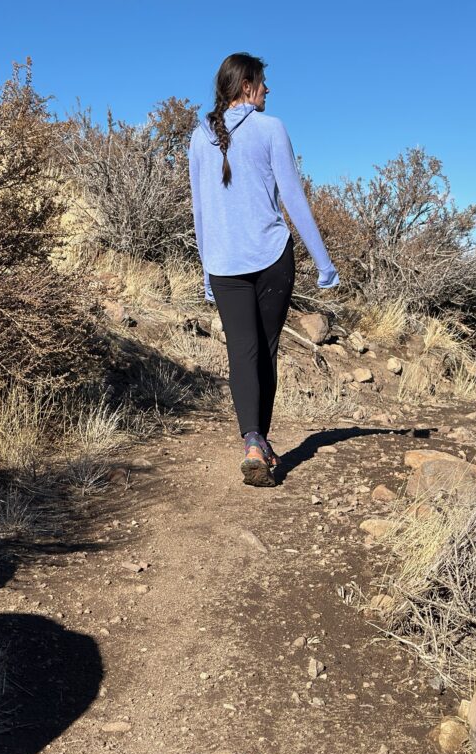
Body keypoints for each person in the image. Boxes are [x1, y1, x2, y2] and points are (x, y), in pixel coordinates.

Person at [188, 52, 340, 487]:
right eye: (263, 83)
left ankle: (254, 442)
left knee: (243, 351)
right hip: (273, 257)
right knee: (265, 352)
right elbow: (293, 197)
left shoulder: (199, 138)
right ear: (247, 85)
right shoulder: (271, 129)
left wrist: (205, 270)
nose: (268, 90)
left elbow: (199, 213)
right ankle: (259, 440)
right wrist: (324, 262)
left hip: (223, 264)